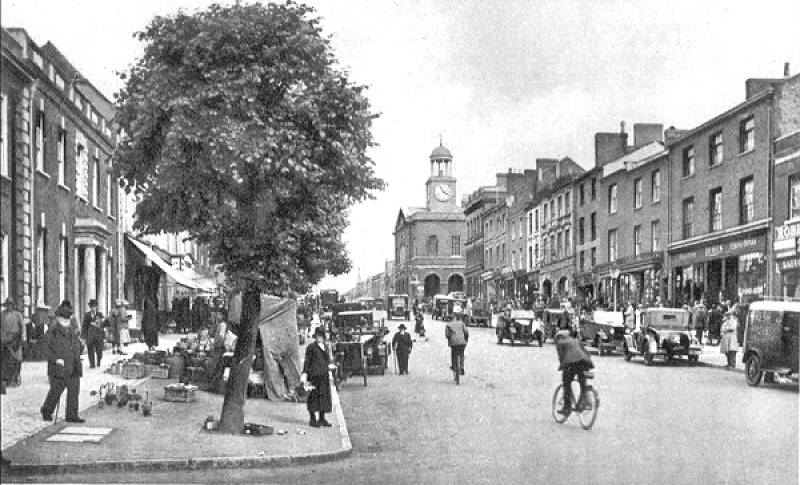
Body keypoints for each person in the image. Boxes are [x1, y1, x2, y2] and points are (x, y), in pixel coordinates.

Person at [40, 300, 85, 423]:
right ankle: (46, 410)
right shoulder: (52, 331)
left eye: (68, 319)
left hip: (74, 365)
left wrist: (80, 348)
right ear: (58, 318)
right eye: (64, 319)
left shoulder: (72, 330)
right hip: (59, 367)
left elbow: (76, 345)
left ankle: (71, 415)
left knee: (74, 391)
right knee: (56, 391)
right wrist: (55, 359)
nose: (66, 322)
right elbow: (45, 349)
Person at [555, 327, 594, 415]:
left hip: (571, 363)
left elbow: (561, 357)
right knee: (582, 382)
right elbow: (586, 353)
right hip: (584, 362)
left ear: (560, 337)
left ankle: (567, 408)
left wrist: (562, 367)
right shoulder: (576, 341)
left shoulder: (560, 343)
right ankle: (583, 402)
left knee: (566, 383)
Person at [301, 327, 333, 428]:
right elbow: (307, 361)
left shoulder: (326, 347)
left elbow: (329, 360)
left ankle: (322, 418)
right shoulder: (311, 347)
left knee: (323, 397)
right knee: (313, 397)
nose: (320, 338)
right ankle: (312, 419)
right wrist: (305, 373)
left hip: (323, 376)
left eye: (321, 336)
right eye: (318, 336)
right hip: (313, 376)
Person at [1, 297, 26, 389]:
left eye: (11, 305)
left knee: (17, 360)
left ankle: (16, 378)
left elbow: (23, 327)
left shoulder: (18, 315)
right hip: (4, 340)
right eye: (8, 305)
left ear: (13, 305)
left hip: (16, 340)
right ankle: (7, 379)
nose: (9, 307)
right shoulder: (2, 314)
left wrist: (23, 338)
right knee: (6, 361)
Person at [80, 299, 105, 369]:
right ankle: (92, 364)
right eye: (91, 307)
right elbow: (84, 326)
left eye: (94, 306)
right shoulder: (87, 315)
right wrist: (83, 336)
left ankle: (99, 360)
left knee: (99, 350)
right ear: (90, 307)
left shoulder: (100, 314)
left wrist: (103, 335)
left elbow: (103, 325)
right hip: (90, 336)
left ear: (96, 307)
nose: (93, 308)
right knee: (90, 350)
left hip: (98, 336)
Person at [445, 314, 469, 378]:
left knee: (453, 353)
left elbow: (447, 335)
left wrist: (450, 338)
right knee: (461, 353)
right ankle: (461, 367)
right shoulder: (461, 323)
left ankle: (453, 366)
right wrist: (466, 339)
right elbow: (466, 332)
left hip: (453, 343)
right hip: (462, 342)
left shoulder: (448, 325)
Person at [720, 305, 740, 369]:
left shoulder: (734, 321)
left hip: (732, 336)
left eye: (729, 315)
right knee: (727, 351)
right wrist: (723, 331)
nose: (728, 316)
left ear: (731, 315)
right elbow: (722, 328)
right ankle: (729, 363)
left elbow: (732, 328)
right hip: (726, 337)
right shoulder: (726, 322)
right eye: (727, 315)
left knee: (732, 351)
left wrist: (726, 329)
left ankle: (732, 364)